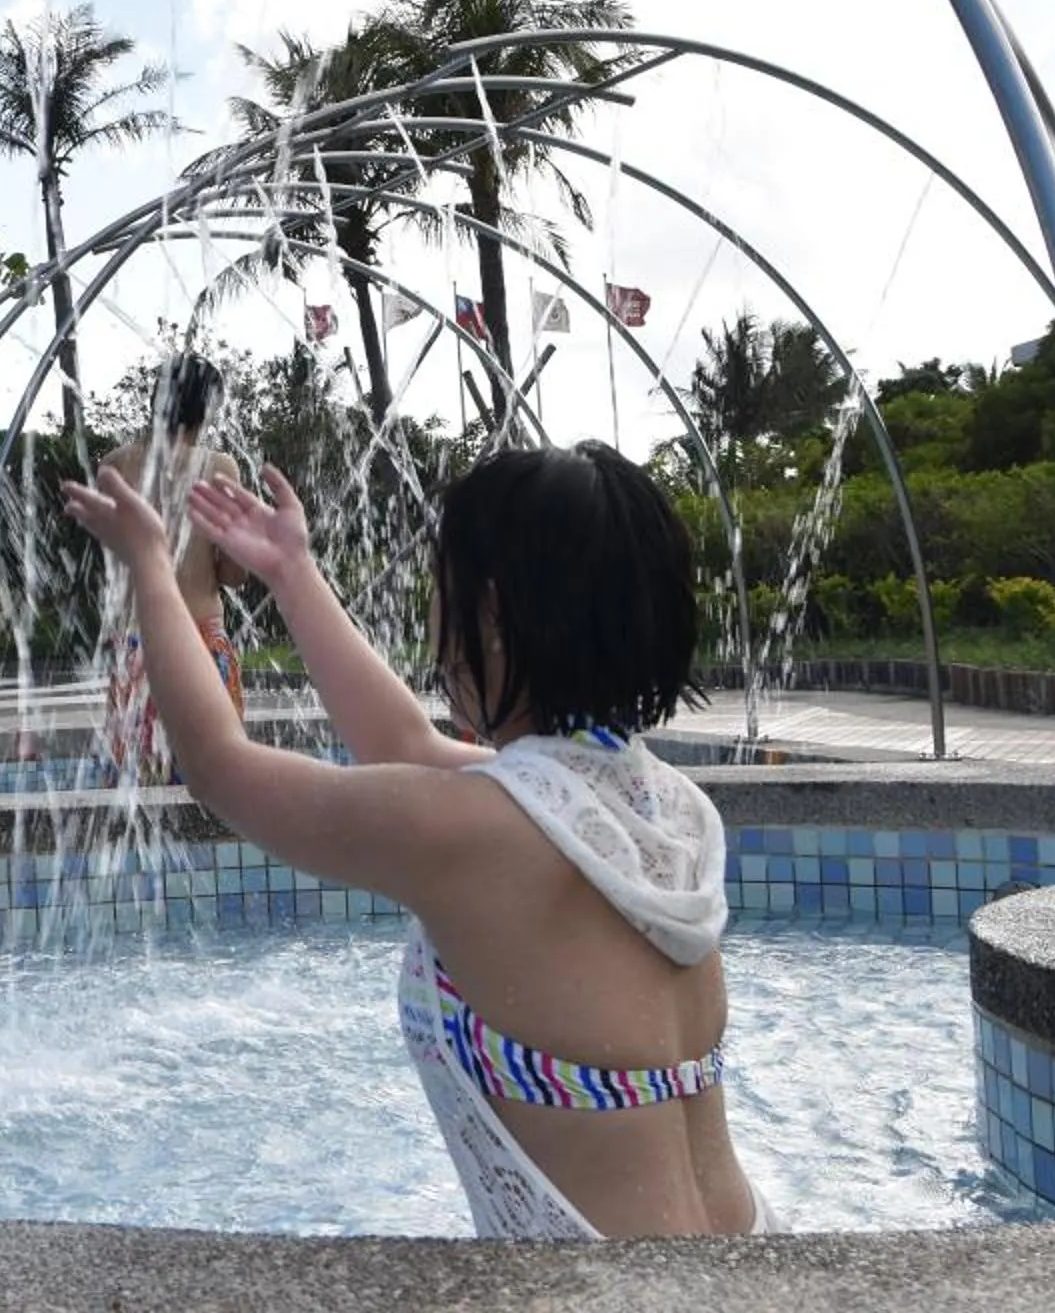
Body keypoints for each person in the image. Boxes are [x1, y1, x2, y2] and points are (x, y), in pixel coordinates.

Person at [61, 443, 770, 1241]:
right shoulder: (655, 805)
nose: (433, 611)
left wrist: (152, 568)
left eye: (442, 584)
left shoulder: (478, 829)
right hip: (741, 1258)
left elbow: (221, 768)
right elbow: (407, 743)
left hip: (609, 1293)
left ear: (492, 612)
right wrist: (292, 573)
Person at [98, 354, 249, 784]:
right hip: (202, 638)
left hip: (139, 644)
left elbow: (116, 560)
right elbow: (234, 574)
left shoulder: (115, 466)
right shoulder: (219, 468)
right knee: (217, 785)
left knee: (137, 795)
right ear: (208, 408)